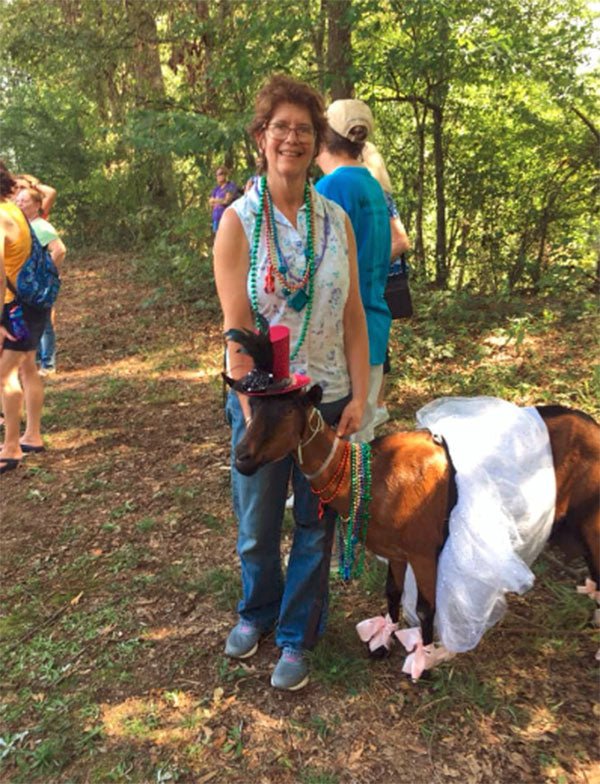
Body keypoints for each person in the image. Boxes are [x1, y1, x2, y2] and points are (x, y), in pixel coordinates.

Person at [213, 74, 369, 690]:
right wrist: (249, 408)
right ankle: (256, 610)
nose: (293, 139)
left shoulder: (337, 221)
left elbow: (354, 313)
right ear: (261, 137)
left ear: (316, 140)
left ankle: (297, 635)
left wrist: (361, 394)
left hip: (325, 400)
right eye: (281, 127)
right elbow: (237, 328)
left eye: (304, 129)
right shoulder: (238, 223)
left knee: (315, 522)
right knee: (256, 523)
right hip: (263, 405)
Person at [315, 100, 392, 443]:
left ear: (322, 137)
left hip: (344, 336)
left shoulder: (331, 188)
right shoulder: (371, 183)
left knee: (341, 445)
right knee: (361, 436)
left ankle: (345, 498)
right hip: (374, 323)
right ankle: (360, 495)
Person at [0, 161, 48, 475]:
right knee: (27, 368)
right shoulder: (12, 209)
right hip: (31, 303)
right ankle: (31, 435)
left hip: (15, 309)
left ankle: (11, 447)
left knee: (4, 376)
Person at [361, 142, 411, 427]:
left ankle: (378, 403)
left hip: (382, 279)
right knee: (376, 338)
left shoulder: (378, 195)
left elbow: (401, 240)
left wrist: (372, 260)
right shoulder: (376, 194)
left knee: (376, 339)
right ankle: (378, 402)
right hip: (377, 278)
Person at [15, 186, 66, 374]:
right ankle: (34, 361)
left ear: (37, 205)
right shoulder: (23, 225)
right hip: (24, 285)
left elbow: (59, 250)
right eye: (18, 200)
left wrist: (45, 273)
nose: (19, 204)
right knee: (27, 321)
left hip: (38, 286)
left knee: (44, 323)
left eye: (24, 201)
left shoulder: (41, 226)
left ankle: (48, 364)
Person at [208, 167, 239, 233]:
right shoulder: (216, 189)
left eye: (220, 174)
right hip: (216, 219)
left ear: (225, 174)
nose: (218, 176)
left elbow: (227, 201)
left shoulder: (230, 186)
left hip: (227, 218)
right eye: (217, 175)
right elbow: (210, 202)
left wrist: (215, 200)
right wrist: (220, 201)